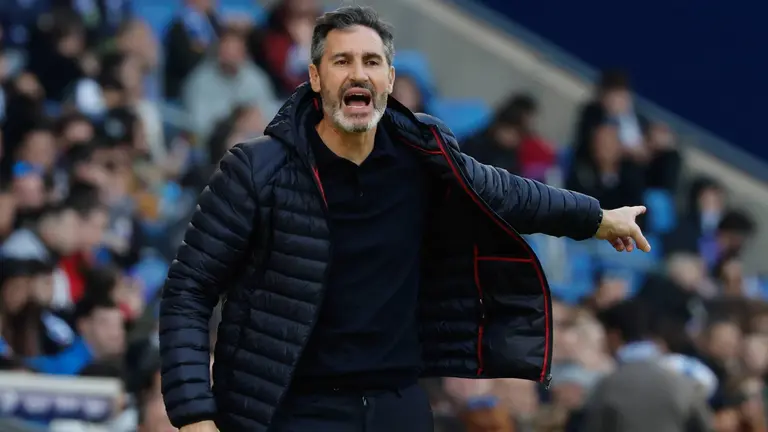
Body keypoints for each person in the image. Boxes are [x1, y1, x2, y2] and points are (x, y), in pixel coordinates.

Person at [159, 6, 652, 432]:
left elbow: (507, 193)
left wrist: (596, 218)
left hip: (399, 405)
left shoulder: (425, 151)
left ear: (389, 81)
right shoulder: (256, 168)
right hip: (293, 409)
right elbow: (188, 289)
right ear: (314, 78)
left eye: (372, 62)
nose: (358, 74)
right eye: (341, 61)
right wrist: (194, 412)